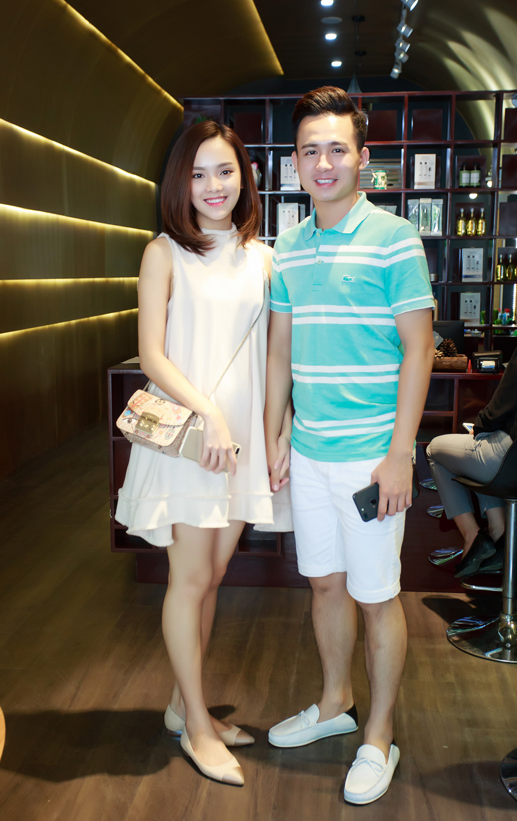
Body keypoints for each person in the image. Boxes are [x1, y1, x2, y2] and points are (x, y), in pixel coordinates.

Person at [264, 86, 435, 806]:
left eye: (338, 148)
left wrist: (401, 453)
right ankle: (335, 702)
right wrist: (275, 431)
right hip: (309, 453)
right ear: (296, 162)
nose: (324, 163)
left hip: (371, 458)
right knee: (325, 584)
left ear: (363, 157)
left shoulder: (394, 237)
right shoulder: (287, 246)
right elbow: (279, 350)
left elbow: (419, 348)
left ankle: (379, 733)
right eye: (311, 151)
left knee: (376, 596)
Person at [116, 121, 290, 787]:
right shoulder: (163, 253)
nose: (214, 186)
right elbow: (152, 355)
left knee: (212, 577)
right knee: (188, 579)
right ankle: (195, 723)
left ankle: (180, 704)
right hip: (191, 441)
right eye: (198, 173)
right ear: (179, 183)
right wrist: (211, 414)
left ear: (245, 176)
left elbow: (274, 356)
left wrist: (276, 432)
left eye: (225, 171)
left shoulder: (264, 258)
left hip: (241, 443)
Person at [427, 273, 517, 578]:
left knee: (434, 450)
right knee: (484, 441)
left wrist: (478, 427)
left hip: (511, 461)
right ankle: (498, 533)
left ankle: (473, 537)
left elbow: (501, 405)